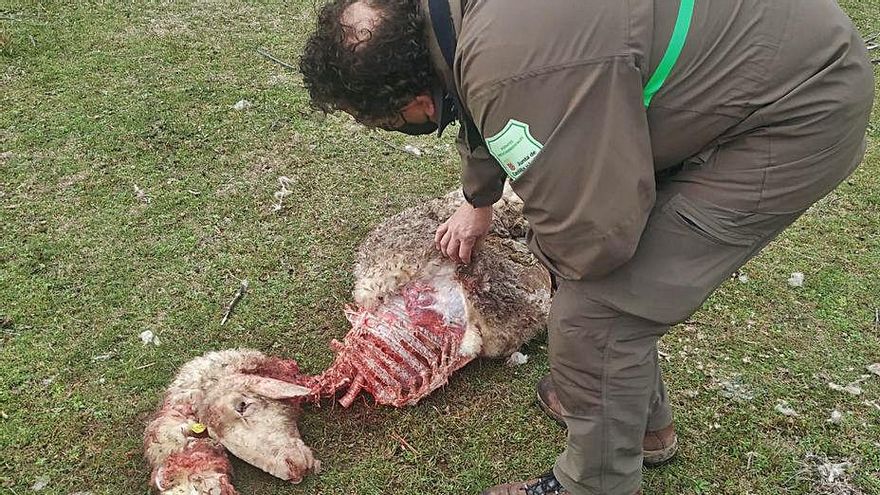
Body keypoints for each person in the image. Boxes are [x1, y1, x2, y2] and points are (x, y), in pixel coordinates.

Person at [299, 0, 875, 493]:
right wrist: (479, 199)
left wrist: (563, 288)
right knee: (596, 310)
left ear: (416, 101)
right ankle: (630, 417)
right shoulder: (452, 18)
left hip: (793, 108)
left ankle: (593, 481)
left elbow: (597, 234)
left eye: (389, 118)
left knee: (597, 313)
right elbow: (483, 96)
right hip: (751, 54)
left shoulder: (515, 63)